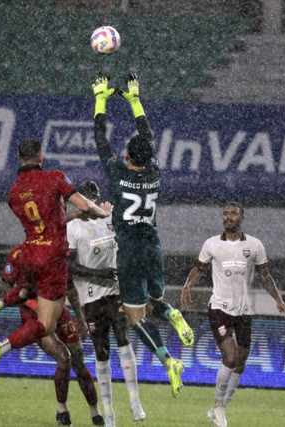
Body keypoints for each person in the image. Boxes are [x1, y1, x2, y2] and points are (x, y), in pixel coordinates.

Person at [92, 72, 194, 398]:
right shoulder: (155, 173)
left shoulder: (118, 173)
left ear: (126, 158)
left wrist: (101, 98)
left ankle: (168, 363)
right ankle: (172, 313)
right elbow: (147, 136)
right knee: (154, 303)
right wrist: (135, 100)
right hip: (154, 246)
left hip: (131, 251)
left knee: (136, 318)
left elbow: (100, 139)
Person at [0, 138, 110, 385]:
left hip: (29, 254)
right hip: (52, 259)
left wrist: (73, 216)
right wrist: (103, 213)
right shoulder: (55, 177)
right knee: (47, 325)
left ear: (18, 157)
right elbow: (84, 204)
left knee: (27, 291)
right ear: (41, 157)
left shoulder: (13, 192)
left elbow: (44, 222)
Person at [180, 202, 285, 427]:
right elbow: (198, 269)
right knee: (230, 358)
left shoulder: (255, 245)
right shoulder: (211, 244)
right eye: (226, 213)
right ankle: (219, 407)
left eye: (234, 214)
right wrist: (187, 286)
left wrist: (277, 299)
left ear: (242, 219)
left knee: (240, 363)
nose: (228, 217)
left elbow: (265, 275)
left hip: (244, 311)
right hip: (219, 308)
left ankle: (218, 409)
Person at [0, 246, 105, 427]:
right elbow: (11, 287)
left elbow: (70, 287)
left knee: (79, 360)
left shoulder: (57, 251)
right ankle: (62, 411)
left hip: (59, 310)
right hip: (34, 313)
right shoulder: (20, 254)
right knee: (63, 358)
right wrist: (26, 301)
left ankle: (96, 414)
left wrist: (81, 319)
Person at [67, 181, 145, 426]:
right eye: (87, 198)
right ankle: (109, 412)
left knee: (123, 334)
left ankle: (135, 401)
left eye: (95, 197)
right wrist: (98, 274)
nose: (92, 201)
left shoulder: (110, 218)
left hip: (114, 291)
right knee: (101, 353)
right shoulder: (73, 227)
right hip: (90, 296)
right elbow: (68, 265)